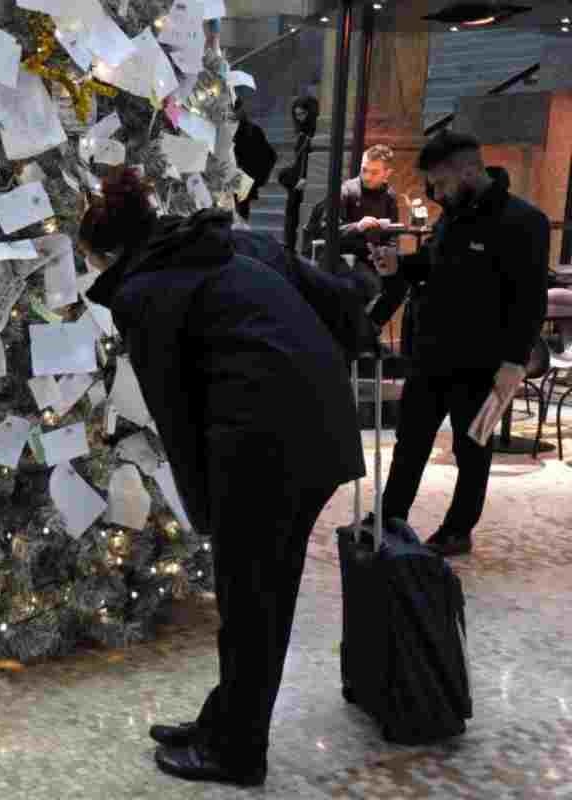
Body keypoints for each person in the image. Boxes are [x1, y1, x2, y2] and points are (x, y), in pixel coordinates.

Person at [82, 170, 365, 787]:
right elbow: (337, 300)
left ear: (107, 252)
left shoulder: (144, 291)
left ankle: (237, 751)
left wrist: (206, 509)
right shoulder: (222, 241)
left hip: (265, 443)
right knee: (256, 595)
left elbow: (175, 415)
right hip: (310, 424)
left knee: (253, 600)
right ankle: (223, 721)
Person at [369, 131, 550, 557]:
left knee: (475, 448)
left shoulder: (525, 222)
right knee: (410, 442)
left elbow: (531, 299)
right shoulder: (453, 213)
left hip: (489, 365)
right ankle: (389, 515)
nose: (436, 192)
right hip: (431, 356)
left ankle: (457, 529)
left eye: (441, 182)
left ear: (469, 170)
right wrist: (400, 264)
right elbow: (432, 263)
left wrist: (515, 362)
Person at [337, 145, 399, 296]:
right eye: (364, 170)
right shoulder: (346, 190)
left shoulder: (389, 196)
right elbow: (328, 229)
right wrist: (358, 226)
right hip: (346, 258)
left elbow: (393, 234)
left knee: (400, 283)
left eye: (374, 172)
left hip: (377, 259)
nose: (367, 177)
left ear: (387, 174)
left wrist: (388, 251)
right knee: (370, 284)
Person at [277, 96, 319, 254]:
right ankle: (289, 244)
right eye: (297, 115)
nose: (299, 118)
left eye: (302, 114)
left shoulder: (311, 133)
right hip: (298, 176)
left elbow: (306, 158)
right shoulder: (303, 132)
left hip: (305, 177)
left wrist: (304, 178)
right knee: (291, 210)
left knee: (294, 210)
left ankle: (290, 245)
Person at [232, 98, 277, 222]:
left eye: (234, 109)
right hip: (223, 179)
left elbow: (270, 156)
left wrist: (254, 179)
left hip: (243, 179)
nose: (231, 114)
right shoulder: (221, 130)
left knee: (240, 219)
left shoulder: (252, 130)